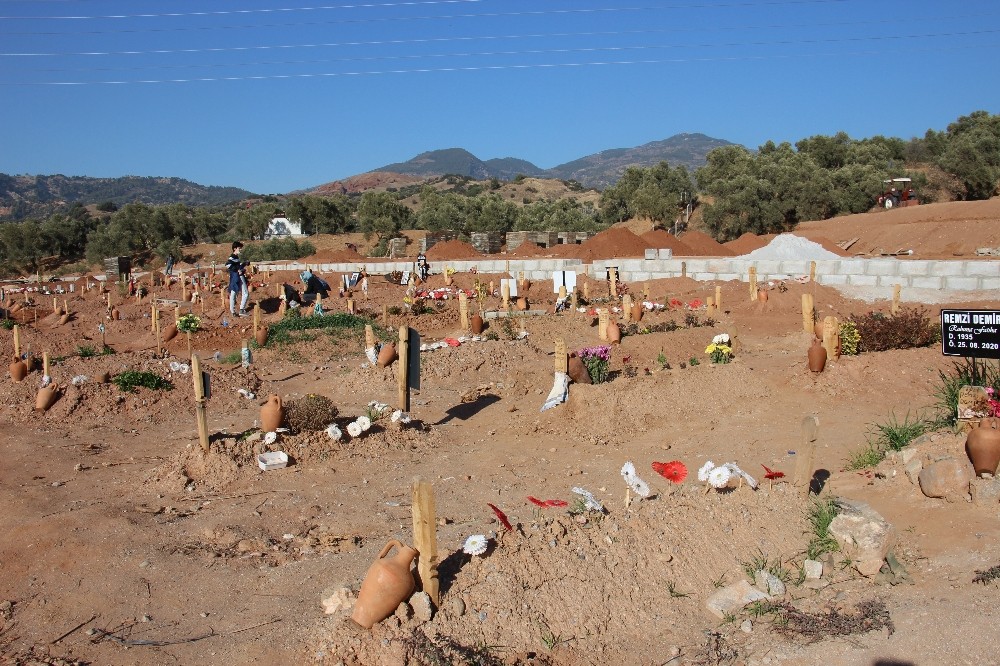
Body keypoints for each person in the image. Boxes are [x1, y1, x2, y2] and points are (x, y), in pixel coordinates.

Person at [226, 241, 250, 316]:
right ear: (235, 248)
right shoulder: (232, 257)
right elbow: (227, 265)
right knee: (241, 293)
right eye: (239, 248)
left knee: (236, 293)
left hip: (237, 277)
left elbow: (238, 266)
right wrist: (237, 270)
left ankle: (236, 311)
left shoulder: (236, 257)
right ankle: (238, 310)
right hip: (237, 277)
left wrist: (244, 264)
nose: (240, 250)